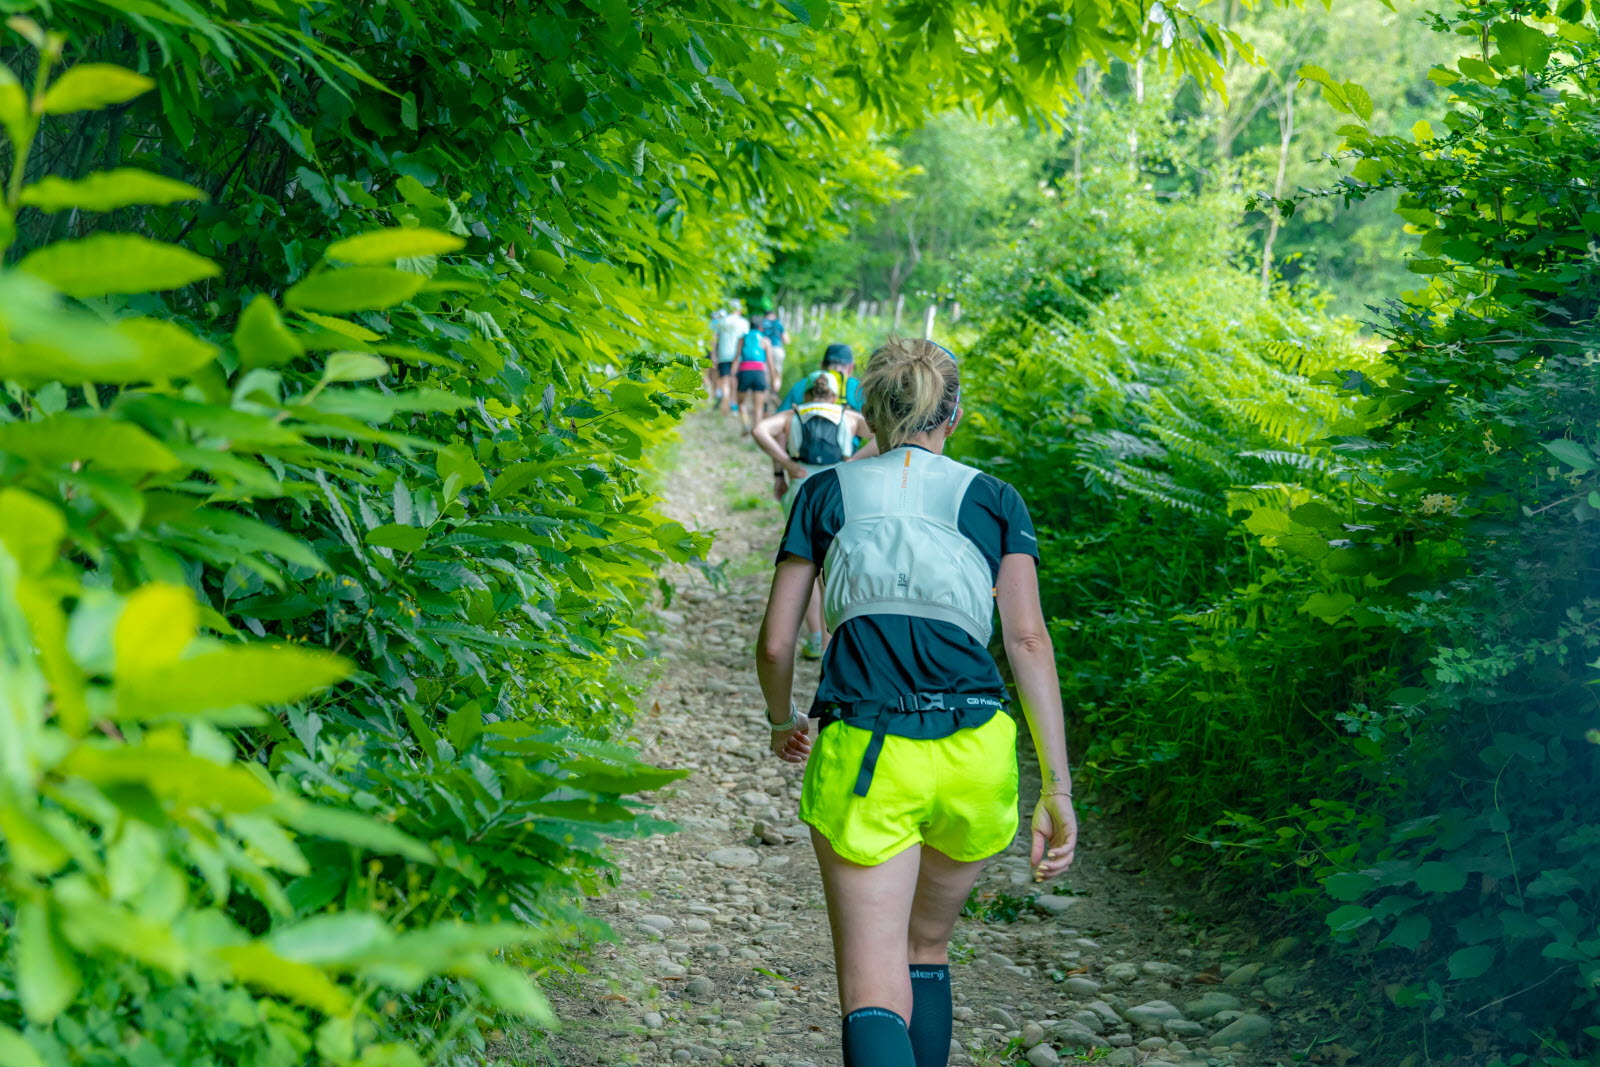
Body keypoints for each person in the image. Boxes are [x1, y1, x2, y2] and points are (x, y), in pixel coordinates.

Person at [754, 337, 1077, 1067]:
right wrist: (1056, 785)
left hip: (867, 751)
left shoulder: (824, 491)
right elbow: (1027, 641)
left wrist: (782, 721)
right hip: (976, 753)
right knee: (926, 947)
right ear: (952, 414)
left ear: (869, 413)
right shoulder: (996, 499)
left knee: (872, 987)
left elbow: (776, 643)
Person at [751, 371, 872, 660]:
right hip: (839, 489)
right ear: (833, 394)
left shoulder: (793, 414)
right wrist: (853, 462)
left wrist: (785, 464)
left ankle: (815, 637)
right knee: (833, 566)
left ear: (808, 393)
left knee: (802, 562)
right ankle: (833, 642)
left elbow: (759, 431)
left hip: (801, 487)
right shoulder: (849, 415)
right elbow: (886, 436)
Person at [778, 343, 862, 414]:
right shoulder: (859, 388)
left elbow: (780, 416)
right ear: (851, 368)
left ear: (822, 365)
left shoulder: (805, 383)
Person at [735, 310, 775, 434]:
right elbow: (770, 363)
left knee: (741, 403)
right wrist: (773, 379)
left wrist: (732, 374)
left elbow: (736, 358)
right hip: (759, 373)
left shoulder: (742, 339)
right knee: (758, 407)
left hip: (745, 372)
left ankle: (745, 424)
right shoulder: (765, 341)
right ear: (761, 327)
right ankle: (757, 431)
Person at [711, 302, 748, 415]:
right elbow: (744, 340)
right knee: (735, 381)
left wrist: (713, 355)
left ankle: (724, 403)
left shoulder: (722, 321)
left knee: (725, 381)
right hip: (738, 356)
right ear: (740, 309)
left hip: (723, 354)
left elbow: (714, 338)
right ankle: (733, 404)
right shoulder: (743, 322)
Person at [757, 301, 791, 387]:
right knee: (777, 373)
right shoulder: (778, 323)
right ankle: (774, 392)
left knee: (766, 373)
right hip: (777, 349)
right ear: (774, 315)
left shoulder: (761, 323)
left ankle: (766, 393)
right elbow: (786, 340)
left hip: (764, 350)